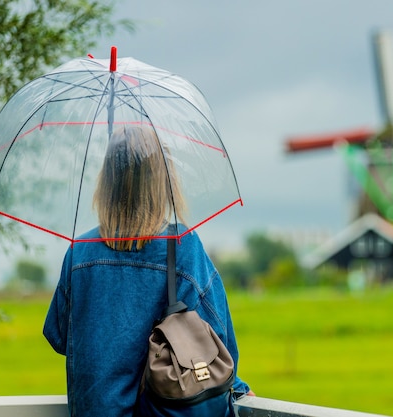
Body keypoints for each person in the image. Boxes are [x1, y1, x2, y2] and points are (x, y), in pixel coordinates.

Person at [43, 125, 252, 417]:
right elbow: (219, 341)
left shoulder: (80, 252)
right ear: (162, 181)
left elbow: (59, 336)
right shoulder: (182, 247)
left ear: (107, 182)